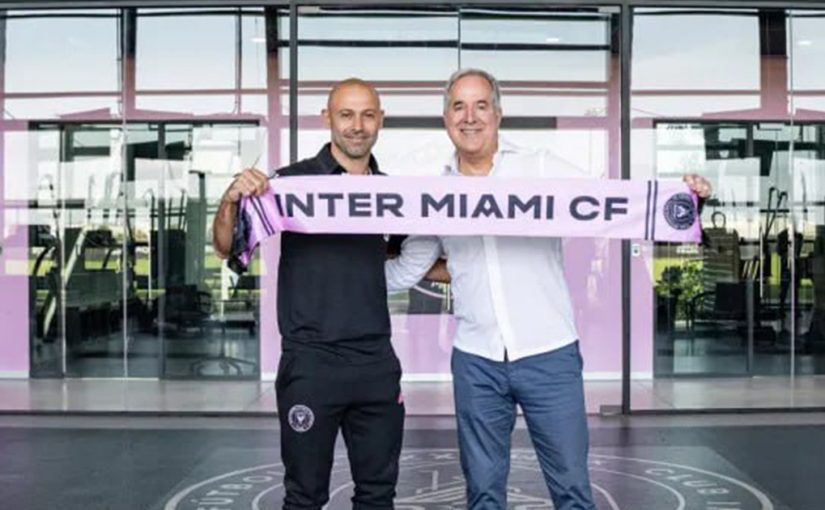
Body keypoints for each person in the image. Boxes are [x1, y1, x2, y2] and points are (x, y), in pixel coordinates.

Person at [385, 68, 712, 510]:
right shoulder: (436, 192)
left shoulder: (539, 167)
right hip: (476, 361)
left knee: (572, 491)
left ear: (498, 114)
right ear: (446, 118)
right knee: (482, 495)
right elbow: (410, 267)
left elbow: (615, 206)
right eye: (459, 106)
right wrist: (337, 274)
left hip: (550, 356)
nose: (470, 117)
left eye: (481, 105)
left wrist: (683, 202)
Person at [213, 78, 404, 510]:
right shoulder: (288, 183)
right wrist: (230, 200)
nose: (357, 126)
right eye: (346, 115)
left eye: (367, 115)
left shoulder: (392, 194)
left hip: (375, 363)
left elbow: (412, 257)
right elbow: (227, 247)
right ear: (327, 119)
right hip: (311, 363)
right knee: (304, 497)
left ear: (380, 120)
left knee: (378, 496)